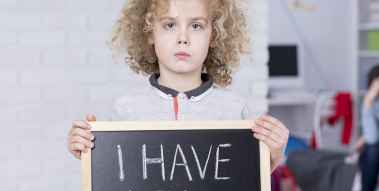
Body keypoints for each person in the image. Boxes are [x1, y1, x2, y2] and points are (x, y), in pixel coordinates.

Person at [66, 0, 289, 171]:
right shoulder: (125, 110)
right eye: (170, 25)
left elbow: (244, 182)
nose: (183, 38)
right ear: (149, 32)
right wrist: (86, 148)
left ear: (214, 35)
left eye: (196, 26)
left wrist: (274, 153)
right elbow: (114, 178)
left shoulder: (234, 110)